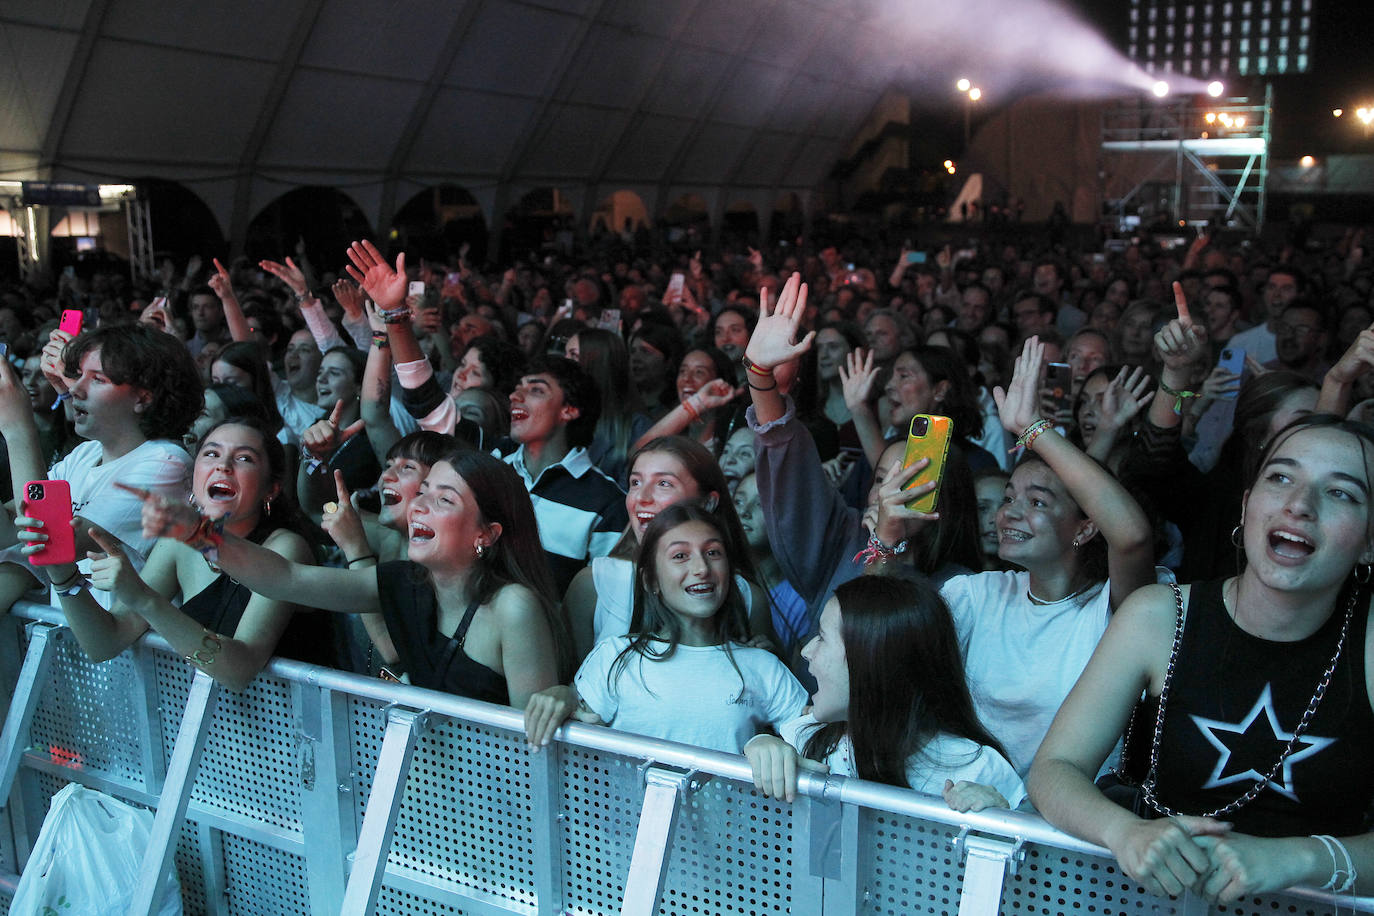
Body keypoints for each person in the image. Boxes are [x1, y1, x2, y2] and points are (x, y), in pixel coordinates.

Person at [1029, 414, 1374, 903]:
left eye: (1341, 492)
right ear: (1247, 505)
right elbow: (1055, 769)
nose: (1299, 505)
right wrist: (1125, 832)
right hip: (1152, 896)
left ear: (1370, 541)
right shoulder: (1158, 616)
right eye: (1280, 477)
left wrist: (1297, 858)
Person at [885, 335, 1156, 776]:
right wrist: (887, 537)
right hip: (970, 810)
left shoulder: (1110, 611)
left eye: (1037, 502)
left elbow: (1133, 538)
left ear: (1086, 527)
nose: (1010, 511)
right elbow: (880, 643)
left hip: (1067, 828)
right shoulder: (978, 594)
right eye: (1011, 497)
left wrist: (1034, 429)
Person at [119, 447, 571, 706]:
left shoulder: (514, 607)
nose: (419, 506)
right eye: (424, 492)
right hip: (429, 795)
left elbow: (527, 749)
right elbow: (287, 578)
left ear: (486, 534)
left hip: (496, 817)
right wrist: (198, 533)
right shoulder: (404, 582)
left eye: (444, 500)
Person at [17, 417, 329, 688]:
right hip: (214, 737)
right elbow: (106, 641)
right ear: (193, 479)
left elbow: (240, 669)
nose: (223, 465)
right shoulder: (178, 545)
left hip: (295, 736)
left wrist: (144, 598)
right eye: (211, 454)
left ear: (271, 489)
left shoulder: (285, 548)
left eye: (244, 458)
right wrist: (63, 576)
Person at [524, 503, 807, 754]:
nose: (701, 568)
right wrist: (563, 696)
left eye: (712, 552)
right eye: (680, 556)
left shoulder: (764, 667)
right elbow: (575, 745)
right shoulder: (615, 657)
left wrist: (775, 744)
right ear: (651, 581)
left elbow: (818, 745)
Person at [745, 576, 1024, 811]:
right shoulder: (803, 739)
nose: (806, 652)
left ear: (872, 663)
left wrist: (1001, 820)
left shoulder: (978, 768)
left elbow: (1035, 871)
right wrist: (760, 749)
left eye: (822, 637)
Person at [0, 324, 201, 610]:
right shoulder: (86, 453)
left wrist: (19, 430)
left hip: (131, 649)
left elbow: (49, 543)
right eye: (78, 375)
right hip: (80, 645)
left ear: (142, 398)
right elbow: (9, 530)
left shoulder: (165, 463)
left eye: (97, 379)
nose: (74, 389)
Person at [564, 436, 773, 660]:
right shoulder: (592, 584)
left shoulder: (746, 597)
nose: (641, 498)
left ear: (708, 503)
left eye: (664, 483)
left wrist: (763, 662)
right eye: (635, 482)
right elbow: (571, 687)